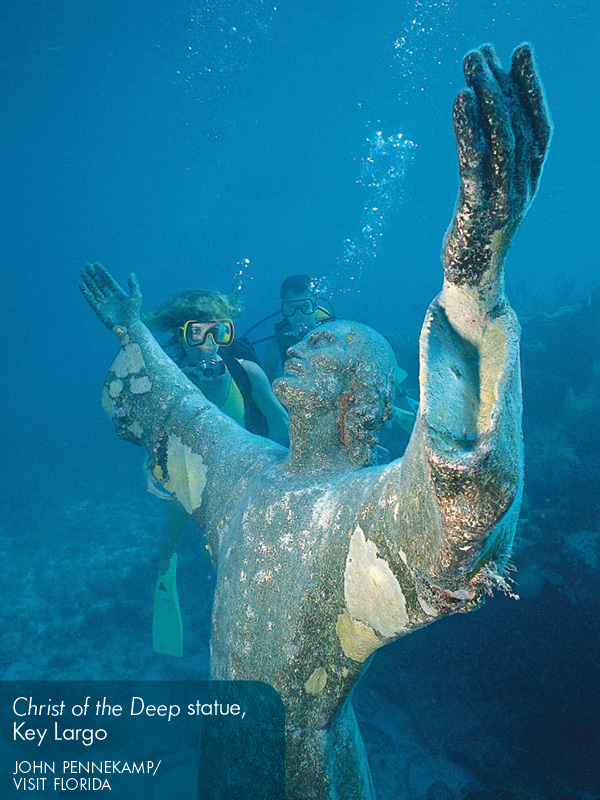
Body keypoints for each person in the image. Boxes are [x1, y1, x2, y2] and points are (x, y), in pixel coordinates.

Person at [80, 43, 551, 800]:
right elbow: (182, 405)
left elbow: (462, 504)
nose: (302, 346)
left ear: (359, 396)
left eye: (327, 345)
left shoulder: (365, 508)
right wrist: (134, 331)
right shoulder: (243, 470)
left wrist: (475, 275)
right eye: (307, 339)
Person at [142, 289, 289, 657]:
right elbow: (153, 434)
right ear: (179, 335)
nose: (208, 344)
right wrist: (151, 468)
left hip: (242, 473)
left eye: (219, 332)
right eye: (196, 333)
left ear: (229, 333)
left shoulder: (247, 372)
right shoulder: (168, 381)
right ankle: (165, 572)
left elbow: (281, 421)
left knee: (236, 548)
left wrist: (299, 464)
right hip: (187, 475)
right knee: (172, 536)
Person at [259, 274, 334, 381]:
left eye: (305, 306)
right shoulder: (277, 342)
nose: (299, 315)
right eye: (291, 307)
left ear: (314, 305)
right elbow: (270, 373)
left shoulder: (329, 330)